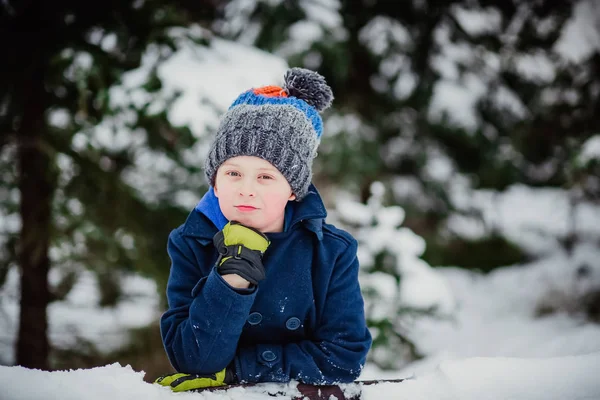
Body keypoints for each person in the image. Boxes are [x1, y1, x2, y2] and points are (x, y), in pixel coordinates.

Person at [155, 68, 372, 392]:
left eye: (265, 177)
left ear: (294, 189)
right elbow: (193, 359)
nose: (246, 189)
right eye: (232, 174)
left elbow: (343, 359)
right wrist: (230, 280)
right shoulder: (191, 243)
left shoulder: (332, 253)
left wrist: (241, 369)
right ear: (215, 182)